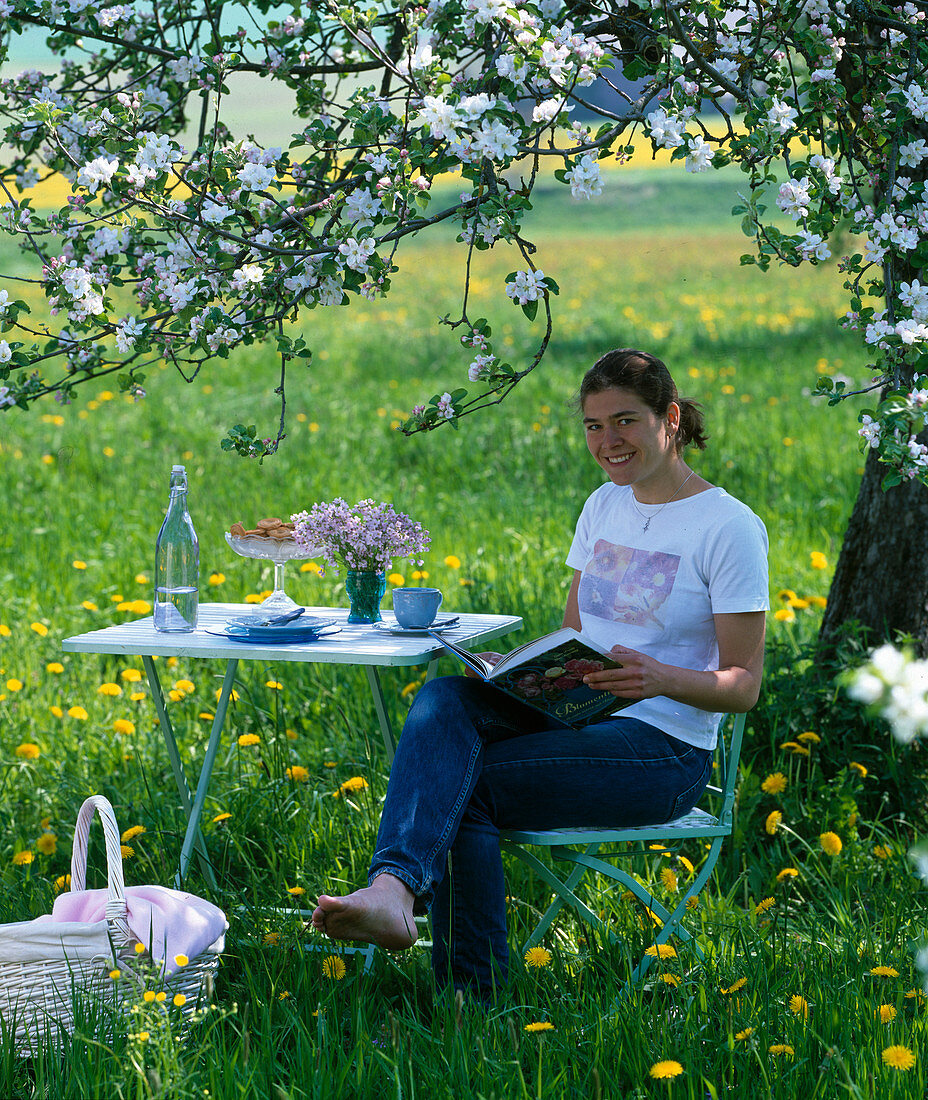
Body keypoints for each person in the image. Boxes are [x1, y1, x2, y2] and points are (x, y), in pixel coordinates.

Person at [312, 347, 769, 998]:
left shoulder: (729, 529)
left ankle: (469, 1000)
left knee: (464, 788)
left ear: (670, 418)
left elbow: (743, 685)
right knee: (447, 696)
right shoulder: (603, 507)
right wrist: (522, 671)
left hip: (662, 753)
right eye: (593, 425)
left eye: (625, 421)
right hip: (581, 713)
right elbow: (578, 638)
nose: (608, 441)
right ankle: (393, 893)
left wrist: (662, 678)